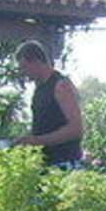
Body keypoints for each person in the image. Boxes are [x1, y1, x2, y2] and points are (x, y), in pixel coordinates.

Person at [13, 41, 84, 169]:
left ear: (36, 61)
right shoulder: (39, 90)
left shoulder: (60, 85)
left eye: (25, 67)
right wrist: (27, 140)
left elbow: (76, 129)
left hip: (65, 164)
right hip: (46, 165)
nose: (23, 72)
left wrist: (38, 141)